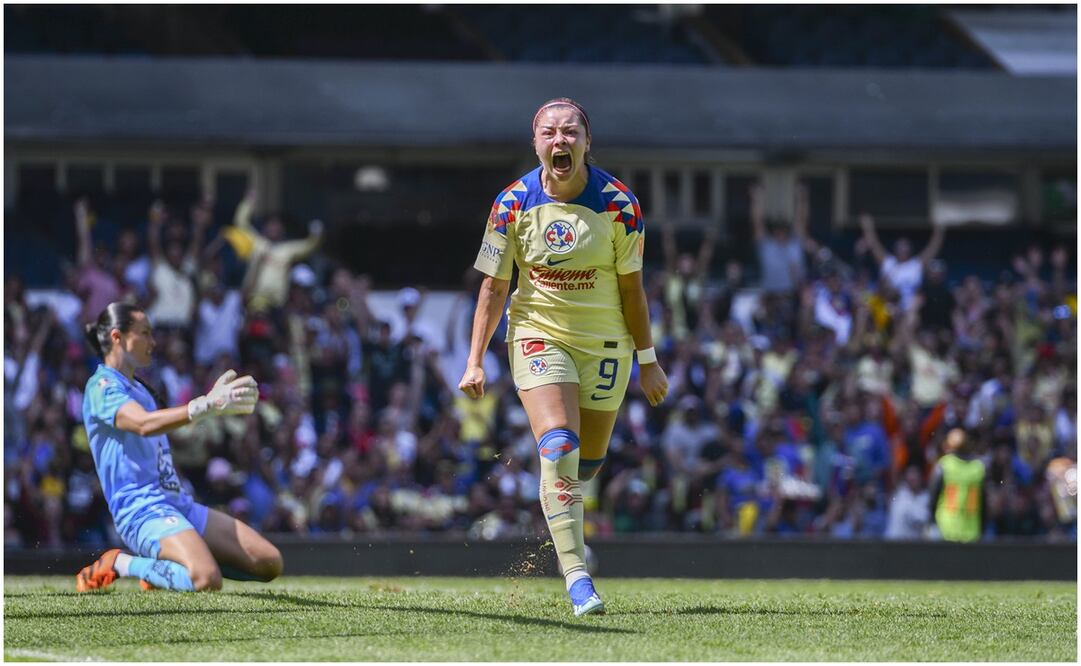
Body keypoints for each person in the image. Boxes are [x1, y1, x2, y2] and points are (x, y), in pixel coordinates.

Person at [458, 97, 668, 616]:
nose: (560, 141)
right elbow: (493, 286)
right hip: (536, 333)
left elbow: (633, 291)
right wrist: (475, 360)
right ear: (535, 142)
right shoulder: (512, 202)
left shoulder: (620, 205)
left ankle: (563, 511)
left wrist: (648, 359)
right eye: (549, 133)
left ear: (587, 141)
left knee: (584, 465)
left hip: (605, 344)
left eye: (570, 132)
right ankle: (578, 577)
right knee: (558, 446)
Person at [75, 302, 283, 592]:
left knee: (269, 562)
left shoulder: (140, 387)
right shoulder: (102, 387)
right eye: (144, 333)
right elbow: (143, 424)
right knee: (206, 580)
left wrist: (210, 410)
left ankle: (165, 569)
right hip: (143, 511)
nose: (153, 341)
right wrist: (204, 405)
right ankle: (120, 562)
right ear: (116, 337)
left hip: (178, 504)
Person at [928, 428, 986, 543]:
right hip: (971, 530)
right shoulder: (979, 467)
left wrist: (931, 521)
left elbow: (933, 496)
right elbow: (984, 501)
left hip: (945, 528)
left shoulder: (944, 465)